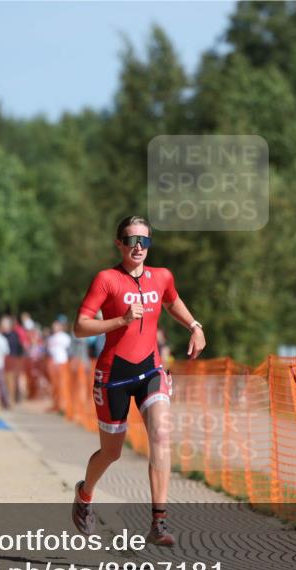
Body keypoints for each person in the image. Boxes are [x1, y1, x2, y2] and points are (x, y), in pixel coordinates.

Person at [70, 215, 205, 546]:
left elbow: (172, 301)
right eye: (132, 240)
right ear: (119, 244)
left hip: (151, 370)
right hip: (113, 375)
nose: (138, 247)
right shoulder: (107, 279)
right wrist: (120, 320)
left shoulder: (162, 276)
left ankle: (158, 522)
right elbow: (80, 327)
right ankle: (85, 494)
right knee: (111, 452)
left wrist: (194, 326)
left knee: (160, 434)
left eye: (144, 241)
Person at [46, 320, 72, 412]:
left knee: (63, 384)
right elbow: (49, 350)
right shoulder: (51, 338)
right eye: (54, 326)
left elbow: (69, 349)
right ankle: (56, 404)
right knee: (55, 385)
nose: (55, 328)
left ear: (60, 327)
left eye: (56, 326)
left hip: (62, 362)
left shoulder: (65, 337)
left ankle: (65, 405)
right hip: (53, 364)